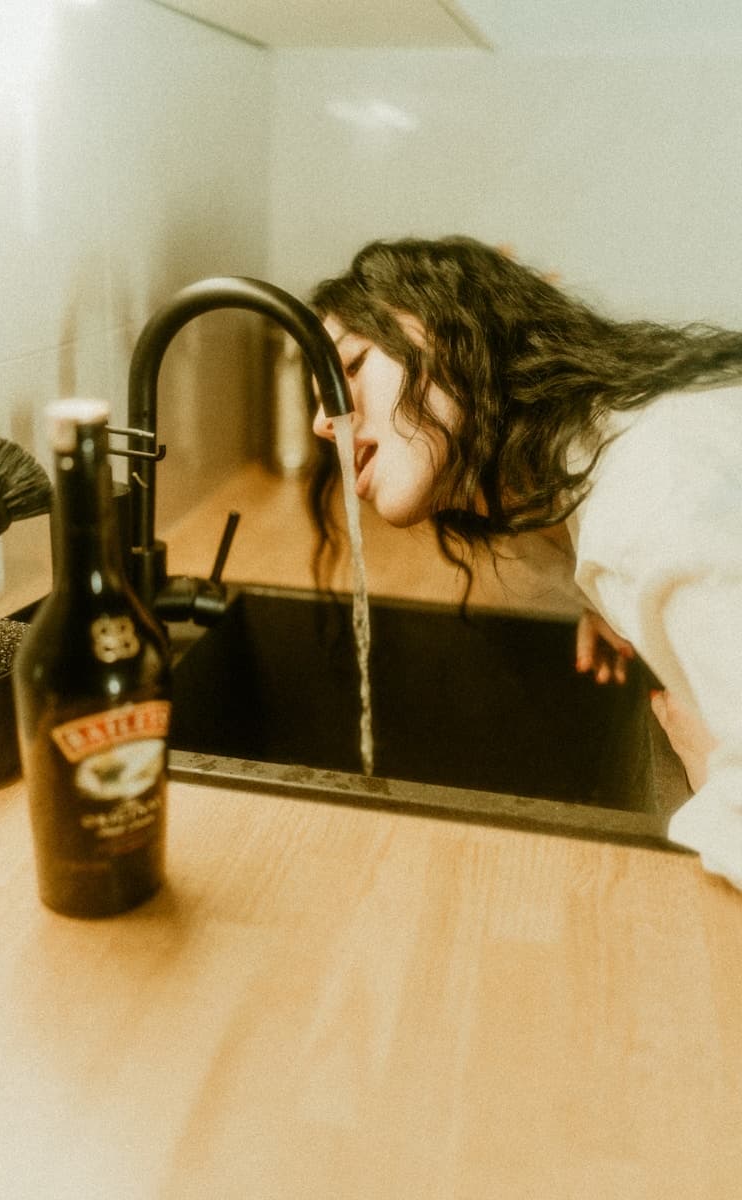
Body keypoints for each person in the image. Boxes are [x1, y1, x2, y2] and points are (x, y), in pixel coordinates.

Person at [308, 235, 742, 889]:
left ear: (456, 333)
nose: (321, 421)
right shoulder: (624, 458)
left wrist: (711, 768)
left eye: (352, 365)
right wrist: (614, 596)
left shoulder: (651, 501)